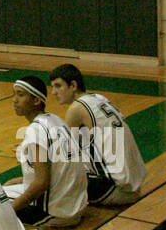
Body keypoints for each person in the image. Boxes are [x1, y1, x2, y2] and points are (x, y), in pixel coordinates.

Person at [48, 64, 146, 205]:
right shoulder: (99, 98)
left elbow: (62, 153)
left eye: (58, 86)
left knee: (55, 180)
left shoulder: (76, 108)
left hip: (115, 189)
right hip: (133, 185)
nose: (53, 92)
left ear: (73, 85)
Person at [6, 75, 87, 227]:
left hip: (56, 213)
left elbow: (41, 183)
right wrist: (21, 181)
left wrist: (9, 211)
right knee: (8, 187)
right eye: (14, 94)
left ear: (36, 100)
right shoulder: (56, 120)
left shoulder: (35, 130)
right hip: (75, 205)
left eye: (21, 95)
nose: (14, 100)